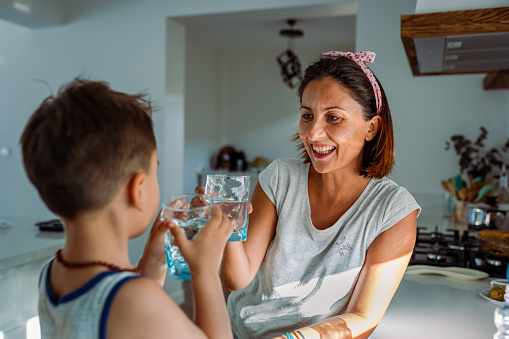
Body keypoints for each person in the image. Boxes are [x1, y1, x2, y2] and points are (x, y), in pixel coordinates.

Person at [216, 51, 421, 339]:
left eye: (334, 118)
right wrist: (227, 228)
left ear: (371, 128)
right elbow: (236, 279)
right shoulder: (279, 178)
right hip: (238, 331)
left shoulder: (393, 210)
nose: (313, 134)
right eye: (307, 116)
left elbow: (363, 317)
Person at [20, 78, 234, 339]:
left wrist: (152, 261)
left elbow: (120, 314)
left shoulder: (53, 272)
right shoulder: (136, 300)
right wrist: (205, 270)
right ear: (138, 189)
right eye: (156, 169)